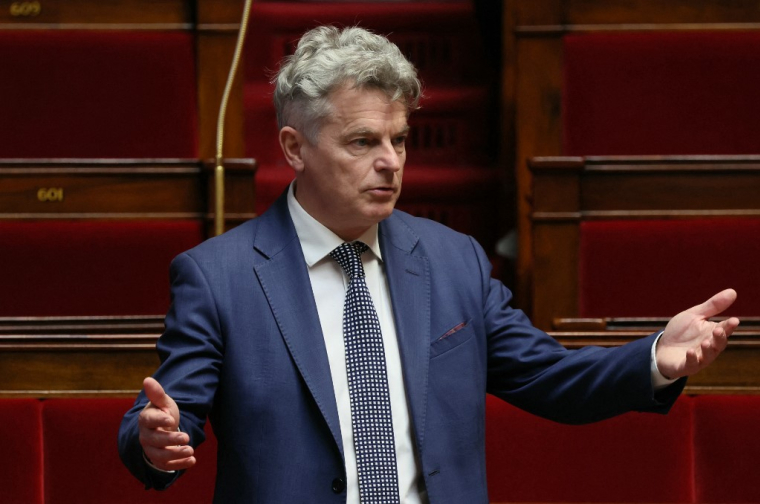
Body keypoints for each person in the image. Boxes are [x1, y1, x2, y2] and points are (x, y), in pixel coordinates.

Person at [118, 25, 740, 504]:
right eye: (363, 141)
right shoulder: (219, 276)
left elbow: (550, 377)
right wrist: (154, 440)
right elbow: (169, 417)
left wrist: (653, 358)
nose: (390, 161)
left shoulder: (452, 261)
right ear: (294, 148)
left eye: (400, 139)